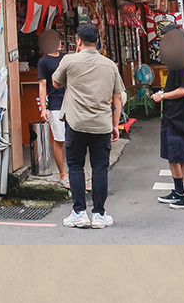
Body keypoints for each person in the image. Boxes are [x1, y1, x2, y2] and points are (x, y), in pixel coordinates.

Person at [51, 23, 124, 229]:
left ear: (78, 41)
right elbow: (117, 98)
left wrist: (74, 57)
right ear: (98, 41)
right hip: (101, 124)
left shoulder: (69, 60)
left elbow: (56, 83)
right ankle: (99, 214)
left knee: (75, 166)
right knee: (100, 167)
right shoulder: (110, 65)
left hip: (75, 123)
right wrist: (115, 125)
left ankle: (79, 212)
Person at [152, 25, 184, 210]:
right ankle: (179, 191)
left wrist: (163, 96)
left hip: (178, 118)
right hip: (169, 116)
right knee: (171, 156)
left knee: (182, 157)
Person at [36, 29, 69, 189]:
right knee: (59, 139)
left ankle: (75, 172)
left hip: (71, 102)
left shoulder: (66, 58)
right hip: (55, 103)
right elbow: (42, 85)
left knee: (75, 139)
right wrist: (43, 108)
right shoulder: (43, 62)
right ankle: (63, 174)